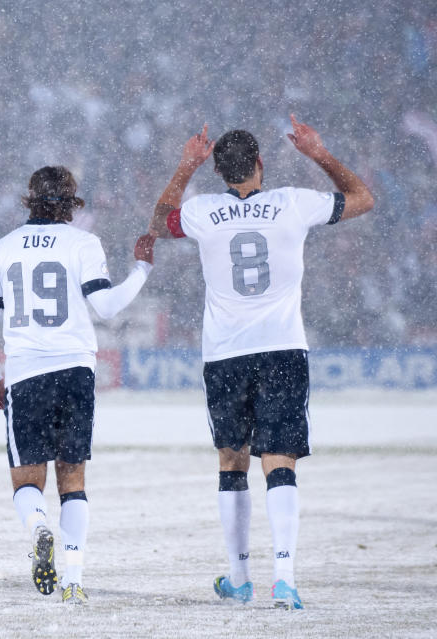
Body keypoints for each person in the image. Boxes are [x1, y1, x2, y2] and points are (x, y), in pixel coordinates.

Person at [147, 116, 374, 609]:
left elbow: (158, 220)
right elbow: (363, 199)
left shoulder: (204, 211)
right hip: (283, 348)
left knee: (233, 460)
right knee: (280, 462)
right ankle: (285, 579)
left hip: (226, 352)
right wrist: (319, 154)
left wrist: (186, 165)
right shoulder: (293, 201)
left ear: (219, 171)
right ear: (260, 164)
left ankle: (239, 578)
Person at [0, 166, 155, 605]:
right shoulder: (83, 243)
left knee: (26, 480)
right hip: (75, 368)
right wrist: (142, 271)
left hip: (26, 371)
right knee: (72, 478)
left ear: (30, 197)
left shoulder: (5, 247)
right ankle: (73, 578)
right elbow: (107, 306)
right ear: (71, 201)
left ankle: (40, 529)